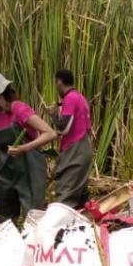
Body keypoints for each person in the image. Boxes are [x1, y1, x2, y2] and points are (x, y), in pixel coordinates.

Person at [0, 71, 57, 222]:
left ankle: (33, 243)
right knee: (4, 219)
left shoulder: (19, 109)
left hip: (29, 170)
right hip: (7, 173)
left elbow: (50, 133)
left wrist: (24, 148)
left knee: (32, 217)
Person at [49, 69, 93, 208]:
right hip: (84, 147)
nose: (56, 87)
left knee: (66, 194)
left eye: (56, 83)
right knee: (79, 193)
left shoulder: (70, 98)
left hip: (76, 150)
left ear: (60, 82)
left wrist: (53, 115)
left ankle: (61, 225)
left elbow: (64, 128)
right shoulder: (81, 98)